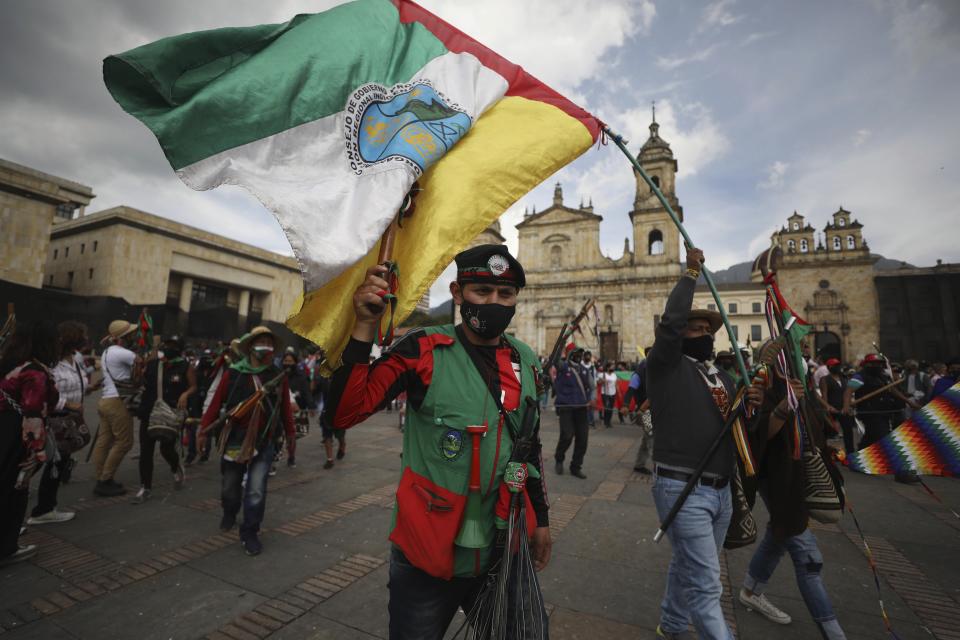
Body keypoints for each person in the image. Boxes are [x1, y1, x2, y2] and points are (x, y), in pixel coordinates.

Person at [327, 244, 550, 640]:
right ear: (458, 292)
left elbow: (529, 447)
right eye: (482, 292)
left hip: (505, 548)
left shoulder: (527, 358)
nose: (494, 302)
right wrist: (362, 327)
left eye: (506, 294)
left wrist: (543, 521)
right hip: (428, 552)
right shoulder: (421, 348)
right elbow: (344, 413)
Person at [648, 247, 764, 640]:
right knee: (707, 585)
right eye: (694, 329)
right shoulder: (666, 367)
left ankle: (673, 623)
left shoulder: (723, 378)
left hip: (721, 491)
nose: (703, 335)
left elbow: (741, 431)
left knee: (690, 565)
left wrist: (758, 408)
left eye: (707, 331)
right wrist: (690, 274)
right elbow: (669, 324)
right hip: (682, 486)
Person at [738, 367, 847, 639]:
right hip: (774, 477)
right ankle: (834, 633)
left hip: (798, 475)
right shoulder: (759, 384)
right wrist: (786, 404)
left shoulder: (799, 383)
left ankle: (751, 590)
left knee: (779, 534)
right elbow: (758, 432)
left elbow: (812, 429)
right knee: (807, 556)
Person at [200, 326, 296, 556]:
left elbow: (285, 409)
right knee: (230, 488)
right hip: (235, 439)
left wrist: (291, 434)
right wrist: (203, 430)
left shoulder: (277, 376)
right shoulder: (233, 374)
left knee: (256, 490)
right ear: (251, 346)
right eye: (262, 342)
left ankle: (250, 531)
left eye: (270, 343)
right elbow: (215, 405)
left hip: (265, 441)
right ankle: (229, 512)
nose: (267, 347)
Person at [0, 322, 60, 565]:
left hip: (4, 428)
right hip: (18, 435)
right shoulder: (35, 371)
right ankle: (6, 547)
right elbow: (33, 413)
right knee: (14, 489)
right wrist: (36, 453)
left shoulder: (10, 365)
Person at [28, 321, 92, 524]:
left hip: (68, 423)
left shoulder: (76, 359)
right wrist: (69, 404)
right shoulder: (51, 363)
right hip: (53, 421)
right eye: (82, 336)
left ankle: (45, 508)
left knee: (54, 463)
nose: (85, 340)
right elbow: (45, 395)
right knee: (38, 463)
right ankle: (40, 510)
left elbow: (79, 384)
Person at [132, 336, 195, 503]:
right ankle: (145, 487)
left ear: (180, 349)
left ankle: (176, 467)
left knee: (166, 449)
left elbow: (193, 386)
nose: (169, 347)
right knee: (146, 451)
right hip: (149, 411)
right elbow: (138, 383)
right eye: (167, 344)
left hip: (171, 413)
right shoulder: (153, 365)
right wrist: (138, 369)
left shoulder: (185, 366)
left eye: (173, 345)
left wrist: (185, 394)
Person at [843, 354, 919, 484]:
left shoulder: (883, 376)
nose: (877, 366)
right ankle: (901, 473)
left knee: (870, 438)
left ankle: (856, 462)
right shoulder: (860, 376)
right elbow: (848, 391)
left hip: (884, 412)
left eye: (879, 363)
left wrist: (909, 402)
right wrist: (846, 406)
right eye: (874, 363)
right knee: (887, 440)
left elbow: (892, 390)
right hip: (870, 413)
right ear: (866, 365)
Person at [91, 320, 140, 497]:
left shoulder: (107, 352)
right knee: (125, 442)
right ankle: (105, 480)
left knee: (104, 441)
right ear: (125, 337)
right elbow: (146, 363)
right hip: (118, 402)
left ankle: (101, 477)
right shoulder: (124, 353)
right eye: (132, 334)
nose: (135, 336)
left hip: (106, 400)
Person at [553, 347, 591, 479]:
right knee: (567, 435)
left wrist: (591, 400)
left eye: (581, 354)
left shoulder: (585, 370)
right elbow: (555, 360)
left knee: (583, 439)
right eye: (577, 354)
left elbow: (591, 387)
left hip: (581, 409)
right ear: (570, 355)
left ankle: (576, 466)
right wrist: (562, 342)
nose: (580, 356)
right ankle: (559, 458)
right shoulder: (564, 368)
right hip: (566, 408)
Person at [819, 358, 853, 452]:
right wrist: (827, 408)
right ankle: (826, 452)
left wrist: (847, 406)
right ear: (829, 367)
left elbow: (847, 393)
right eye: (835, 365)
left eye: (838, 365)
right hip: (832, 409)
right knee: (827, 431)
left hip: (844, 409)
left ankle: (850, 452)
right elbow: (824, 395)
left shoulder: (844, 378)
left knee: (848, 431)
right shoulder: (824, 379)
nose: (838, 367)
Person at [599, 363, 618, 428]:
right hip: (605, 393)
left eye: (613, 367)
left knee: (611, 408)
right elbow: (598, 382)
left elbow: (616, 384)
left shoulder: (614, 375)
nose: (613, 368)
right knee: (607, 407)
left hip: (613, 393)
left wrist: (618, 392)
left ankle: (609, 421)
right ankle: (606, 421)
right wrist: (603, 381)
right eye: (611, 367)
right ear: (607, 368)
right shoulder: (602, 374)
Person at [582, 350, 598, 428]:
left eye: (589, 356)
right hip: (583, 389)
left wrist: (595, 387)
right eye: (586, 356)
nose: (588, 357)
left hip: (591, 389)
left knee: (591, 404)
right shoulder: (581, 366)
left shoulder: (592, 367)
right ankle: (586, 420)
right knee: (585, 405)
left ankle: (591, 420)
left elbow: (595, 377)